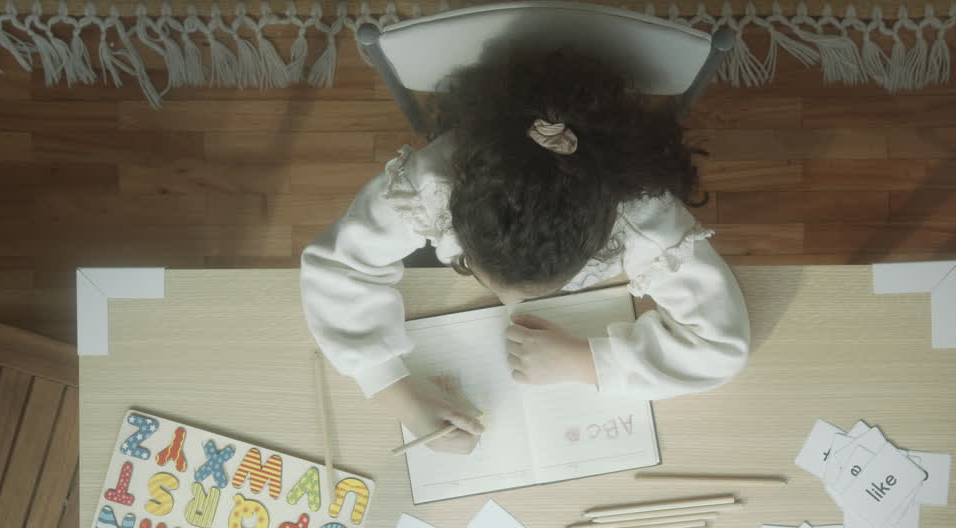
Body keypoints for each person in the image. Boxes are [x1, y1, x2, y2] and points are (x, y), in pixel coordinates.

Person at [301, 48, 750, 455]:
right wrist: (397, 396)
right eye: (469, 267)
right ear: (453, 210)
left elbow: (722, 348)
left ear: (606, 242)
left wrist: (586, 362)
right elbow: (337, 269)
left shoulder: (644, 218)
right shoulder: (434, 180)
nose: (507, 305)